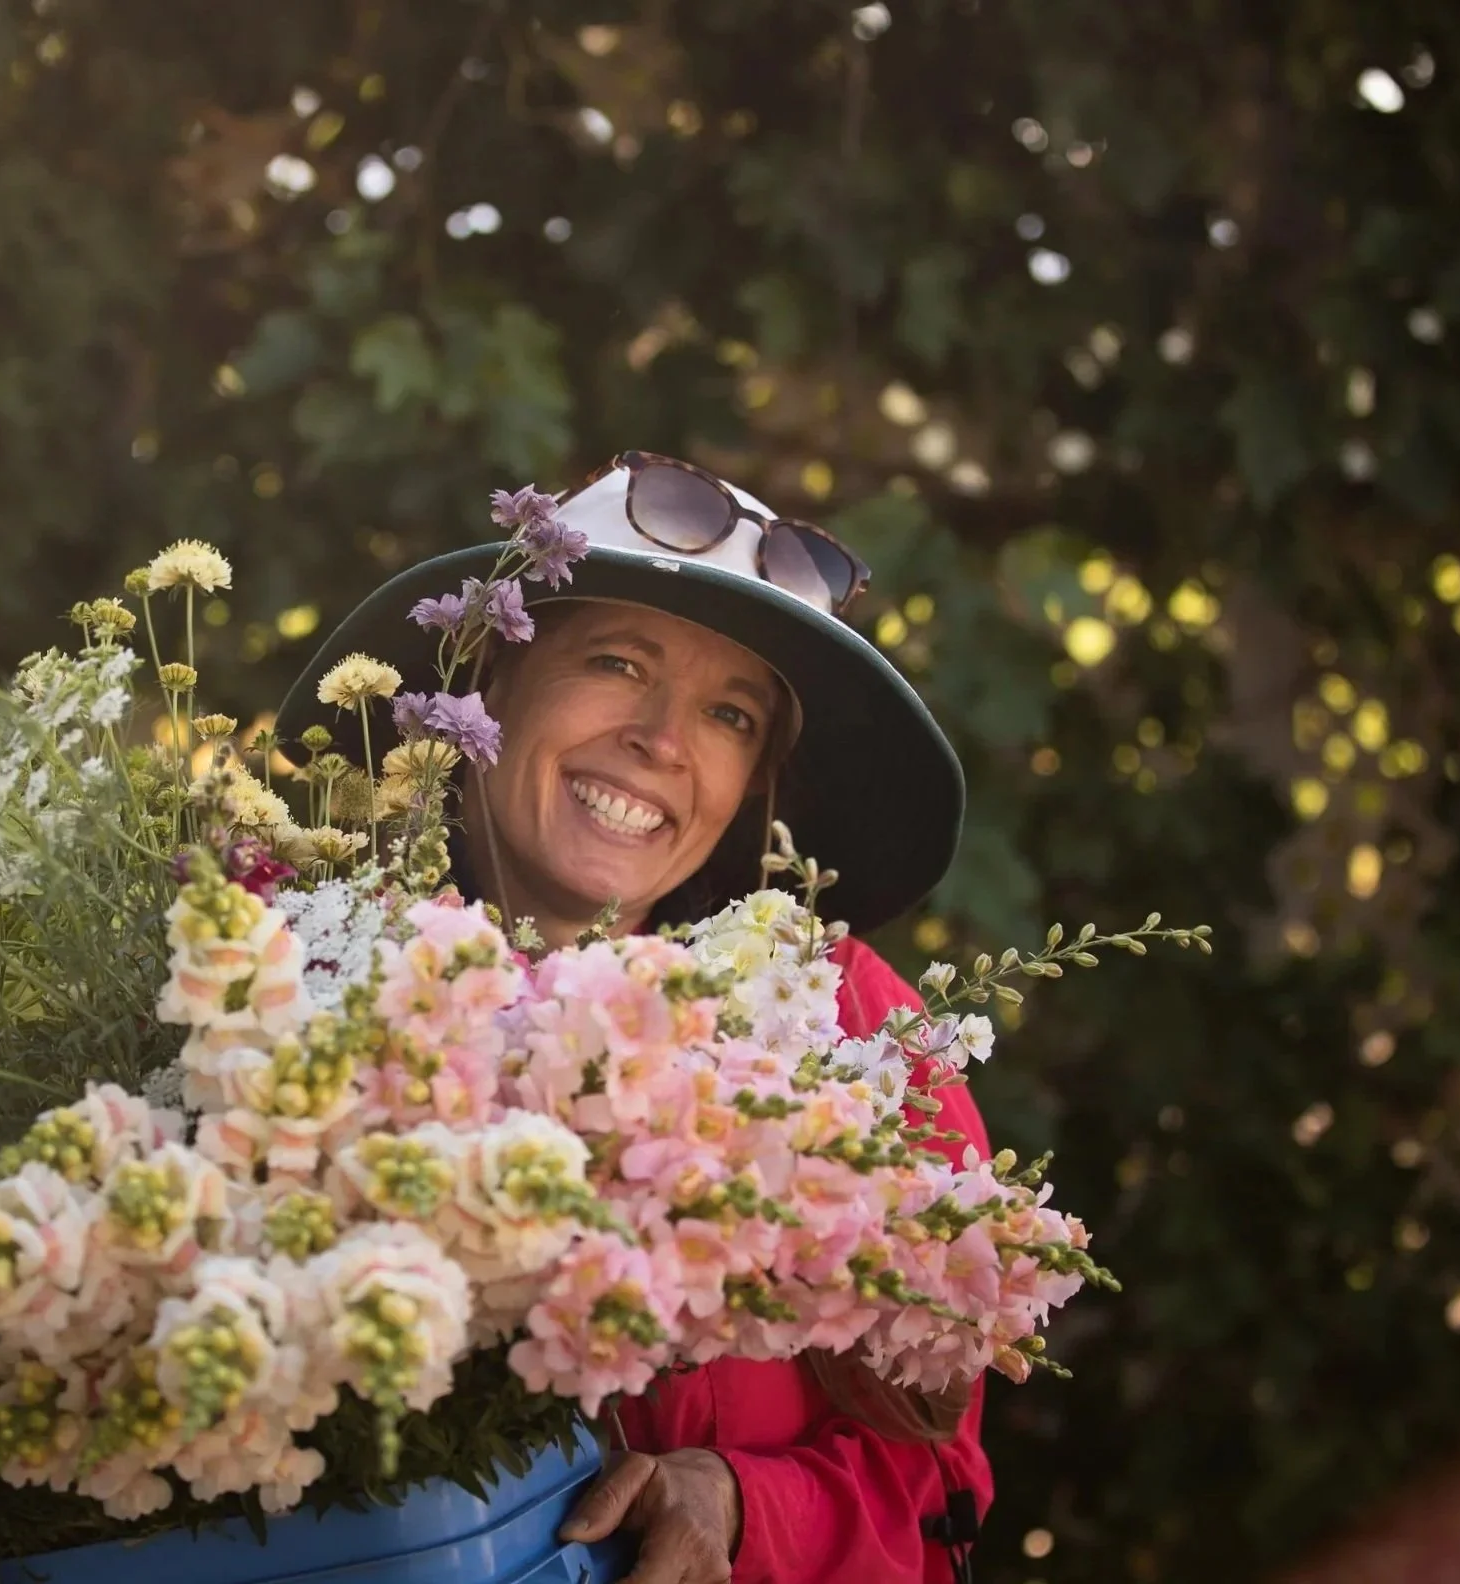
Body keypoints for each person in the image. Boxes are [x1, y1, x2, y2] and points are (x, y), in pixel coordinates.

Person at [279, 452, 991, 1584]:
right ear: (493, 679)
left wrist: (742, 1504)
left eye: (730, 714)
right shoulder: (275, 959)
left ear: (753, 782)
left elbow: (929, 1487)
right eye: (617, 662)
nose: (664, 739)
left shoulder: (856, 1027)